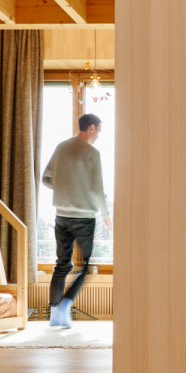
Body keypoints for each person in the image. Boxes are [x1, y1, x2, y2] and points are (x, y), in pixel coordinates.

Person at [42, 113, 111, 327]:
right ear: (91, 128)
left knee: (61, 265)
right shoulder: (92, 152)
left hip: (61, 215)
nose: (98, 135)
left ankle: (54, 315)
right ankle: (66, 305)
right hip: (83, 217)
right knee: (86, 266)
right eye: (98, 130)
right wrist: (106, 215)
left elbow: (46, 178)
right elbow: (97, 187)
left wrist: (64, 189)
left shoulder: (61, 147)